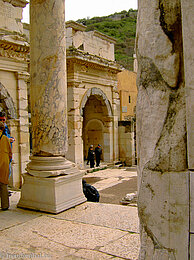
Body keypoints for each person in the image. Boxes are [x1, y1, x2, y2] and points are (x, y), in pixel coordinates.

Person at [0, 121, 12, 210]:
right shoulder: (6, 138)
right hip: (4, 163)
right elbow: (10, 153)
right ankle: (5, 205)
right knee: (3, 185)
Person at [0, 112, 15, 179]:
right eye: (1, 120)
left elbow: (8, 136)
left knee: (7, 173)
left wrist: (12, 139)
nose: (3, 121)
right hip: (2, 153)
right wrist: (7, 140)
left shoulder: (6, 127)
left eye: (4, 120)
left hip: (7, 153)